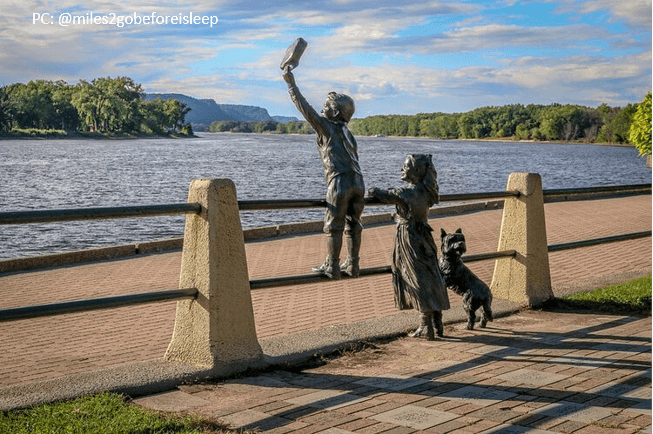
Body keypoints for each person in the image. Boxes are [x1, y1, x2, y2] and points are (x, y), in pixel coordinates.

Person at [282, 66, 365, 280]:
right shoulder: (348, 132)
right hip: (358, 181)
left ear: (335, 113)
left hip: (339, 182)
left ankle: (333, 266)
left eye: (326, 106)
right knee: (354, 223)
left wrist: (291, 83)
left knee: (334, 225)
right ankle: (353, 265)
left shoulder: (327, 127)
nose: (321, 109)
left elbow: (304, 108)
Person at [367, 154, 450, 340]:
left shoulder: (405, 194)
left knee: (416, 278)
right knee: (430, 275)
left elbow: (379, 193)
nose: (402, 170)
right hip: (424, 236)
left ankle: (425, 326)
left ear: (418, 171)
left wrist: (373, 190)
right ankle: (437, 323)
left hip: (408, 237)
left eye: (405, 167)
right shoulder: (428, 192)